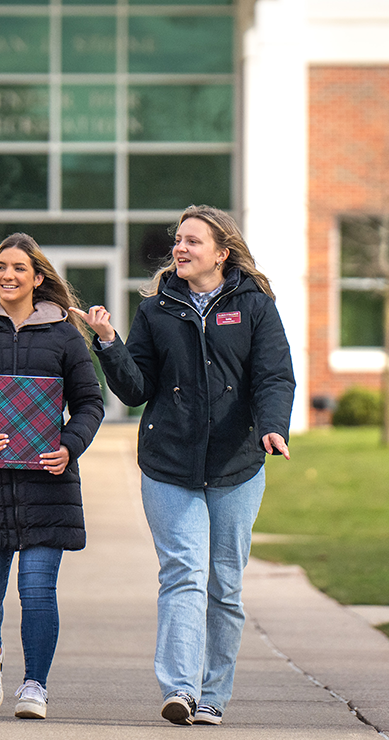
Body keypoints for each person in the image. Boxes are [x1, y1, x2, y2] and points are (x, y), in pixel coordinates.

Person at [75, 205, 294, 727]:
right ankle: (180, 689)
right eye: (178, 239)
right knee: (182, 574)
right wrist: (108, 343)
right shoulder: (156, 309)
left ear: (222, 252)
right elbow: (136, 389)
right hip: (168, 462)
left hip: (236, 463)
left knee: (224, 583)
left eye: (193, 241)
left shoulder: (255, 305)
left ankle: (214, 693)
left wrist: (272, 424)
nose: (181, 247)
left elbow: (274, 375)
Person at [0, 233, 104, 721]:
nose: (8, 275)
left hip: (47, 484)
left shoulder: (66, 336)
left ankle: (35, 685)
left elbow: (91, 403)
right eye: (0, 268)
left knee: (36, 590)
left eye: (19, 268)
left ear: (38, 278)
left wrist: (69, 447)